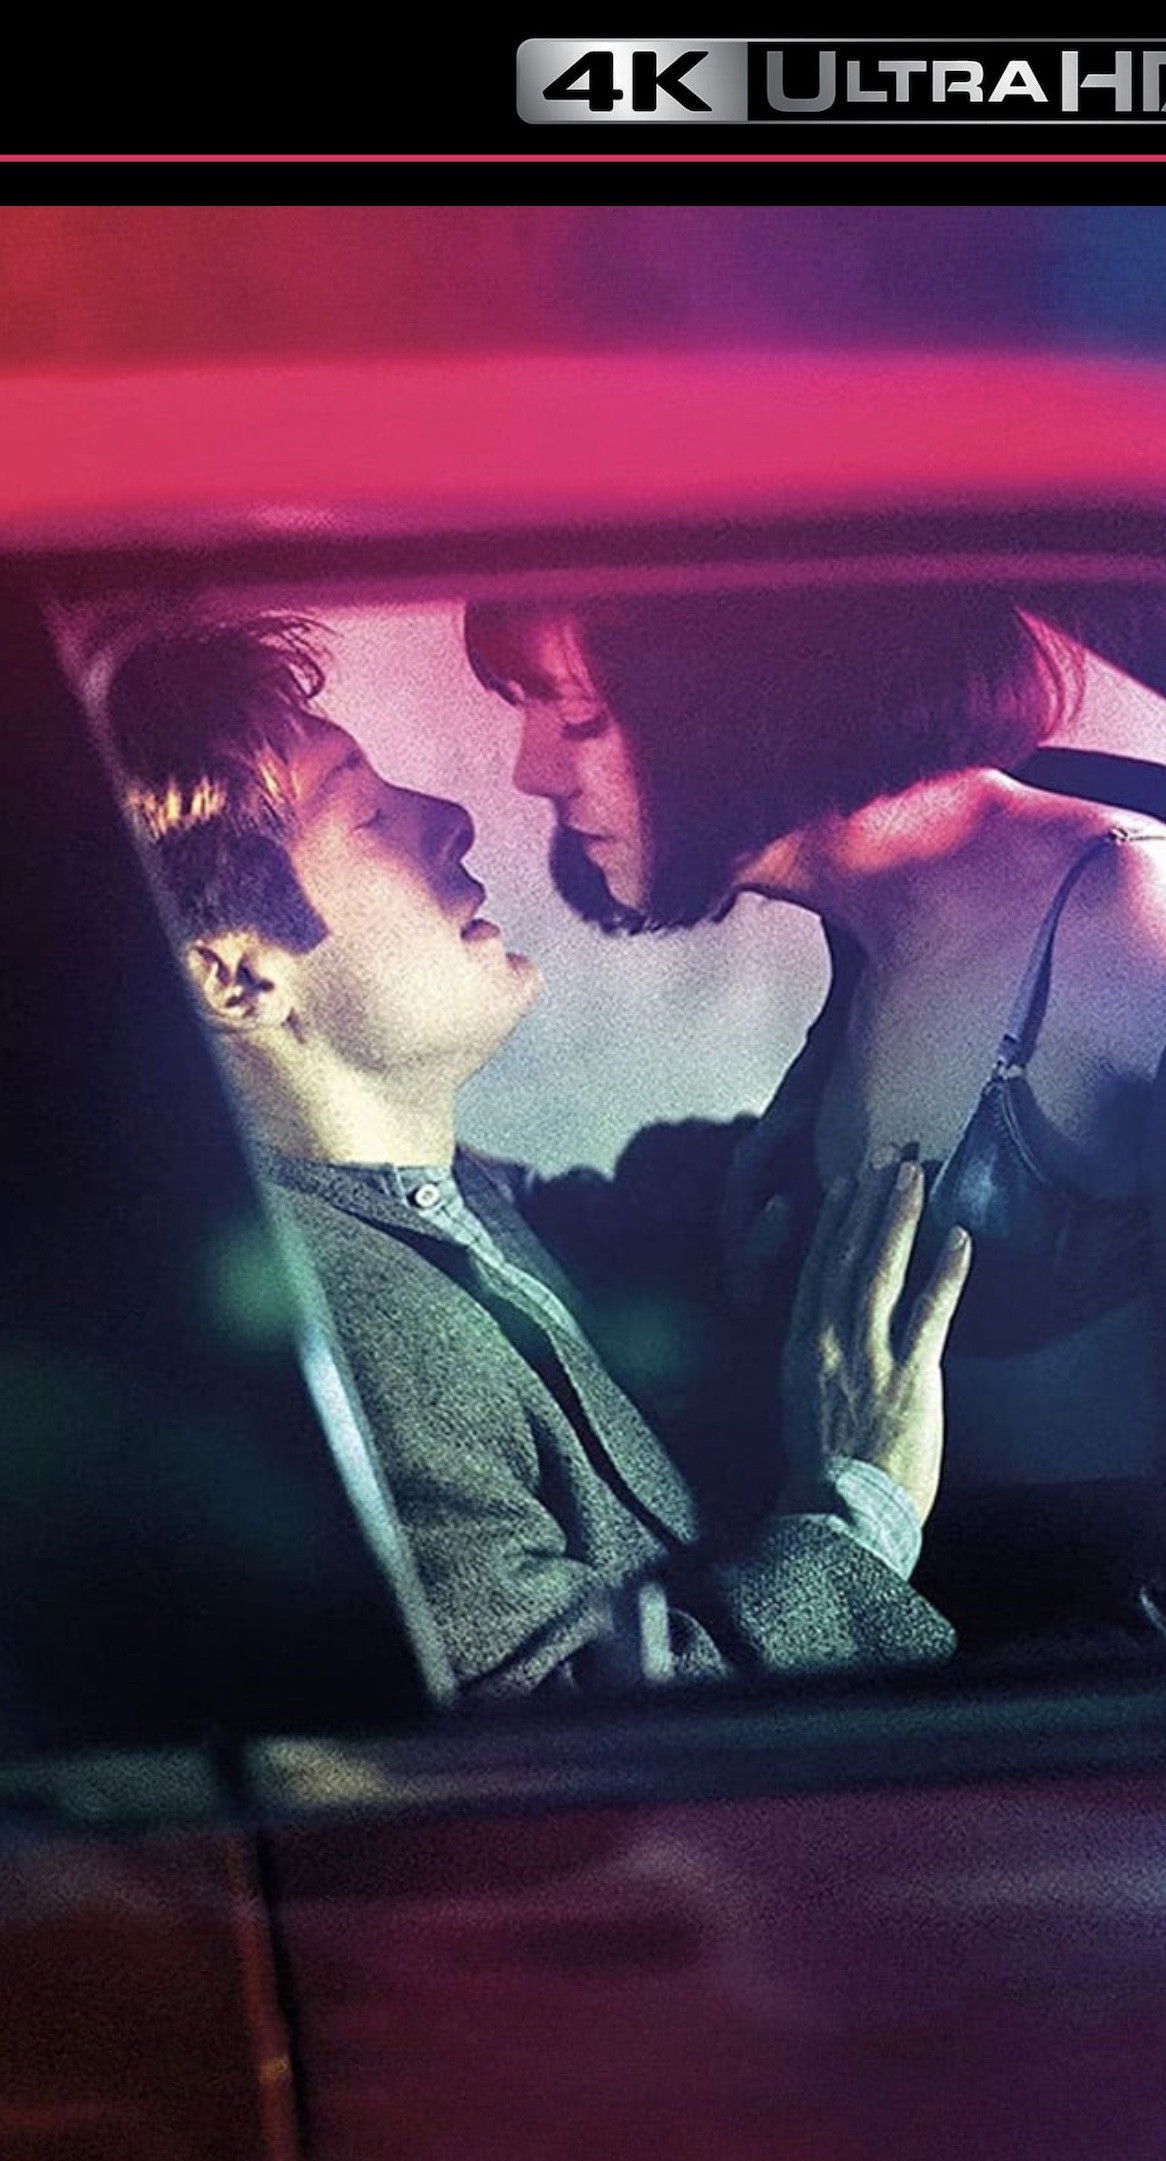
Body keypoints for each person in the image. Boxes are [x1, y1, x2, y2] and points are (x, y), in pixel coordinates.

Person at [465, 588, 1166, 1650]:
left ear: (750, 689)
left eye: (578, 716)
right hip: (943, 1657)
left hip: (1134, 1718)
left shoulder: (1128, 922)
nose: (531, 770)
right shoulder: (885, 921)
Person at [101, 615, 969, 1701]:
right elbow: (569, 1750)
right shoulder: (336, 1333)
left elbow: (601, 1225)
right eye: (367, 816)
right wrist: (859, 1507)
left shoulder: (415, 1203)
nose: (451, 820)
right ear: (237, 980)